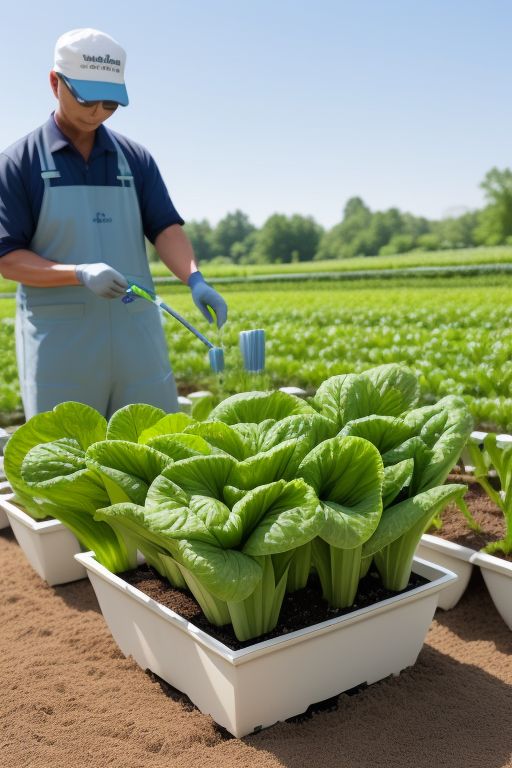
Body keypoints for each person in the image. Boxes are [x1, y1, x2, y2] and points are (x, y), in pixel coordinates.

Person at [0, 27, 227, 420]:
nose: (98, 112)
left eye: (110, 103)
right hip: (61, 345)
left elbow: (165, 229)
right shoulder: (20, 164)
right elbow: (7, 258)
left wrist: (195, 278)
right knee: (68, 456)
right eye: (88, 98)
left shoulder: (134, 160)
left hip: (135, 335)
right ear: (55, 82)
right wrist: (78, 272)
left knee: (153, 446)